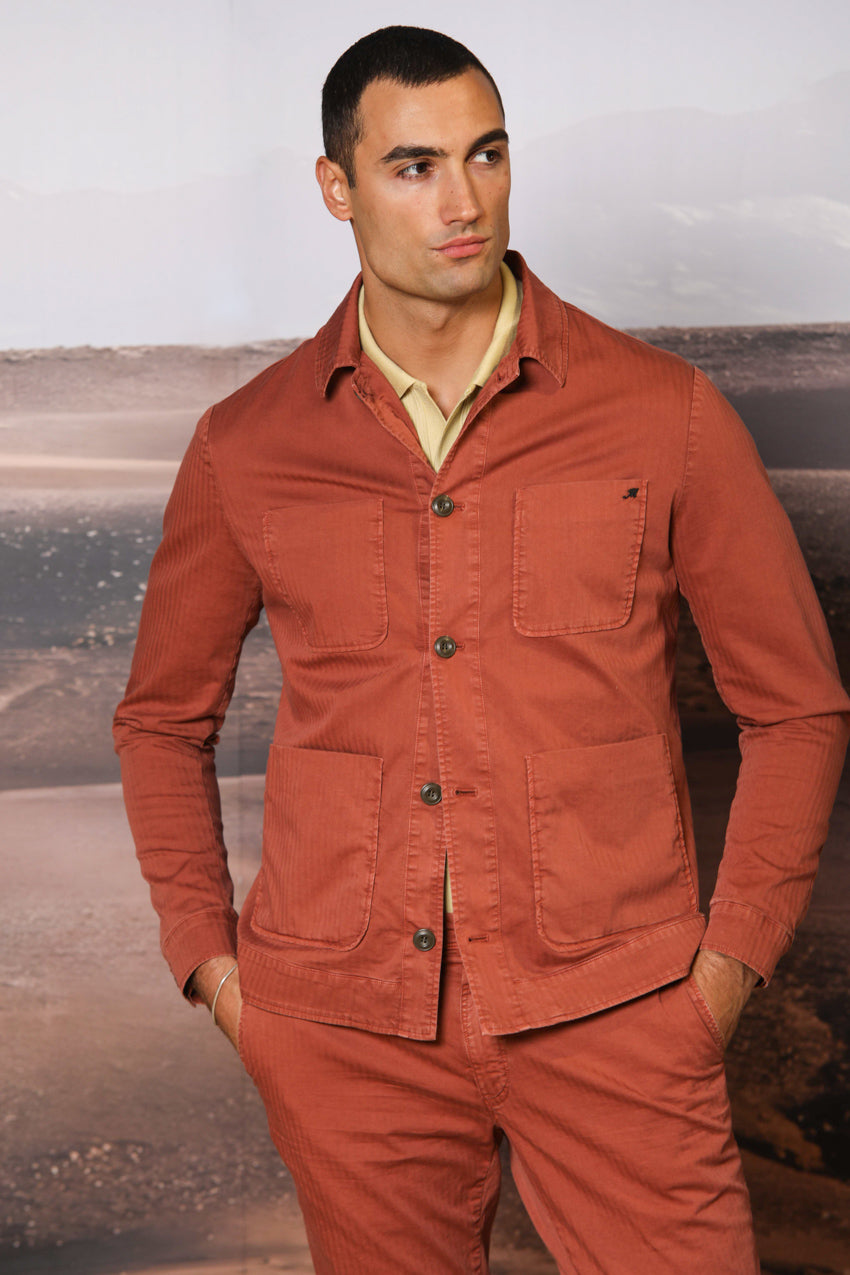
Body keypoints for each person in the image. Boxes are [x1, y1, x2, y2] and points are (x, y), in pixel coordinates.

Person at [113, 25, 850, 1275]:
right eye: (414, 166)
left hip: (618, 1019)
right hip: (345, 1036)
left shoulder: (662, 414)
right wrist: (215, 973)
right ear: (336, 188)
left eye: (486, 155)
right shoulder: (246, 445)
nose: (462, 202)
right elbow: (158, 721)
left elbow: (797, 709)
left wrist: (725, 969)